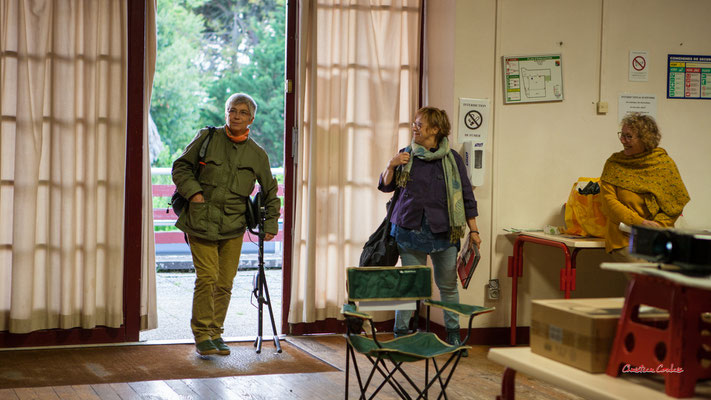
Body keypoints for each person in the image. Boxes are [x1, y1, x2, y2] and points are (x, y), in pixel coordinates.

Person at [172, 93, 281, 355]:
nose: (236, 116)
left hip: (234, 226)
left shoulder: (257, 154)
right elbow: (180, 168)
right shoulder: (206, 138)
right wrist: (195, 194)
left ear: (251, 119)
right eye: (232, 111)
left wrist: (271, 225)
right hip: (200, 221)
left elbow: (270, 191)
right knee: (207, 277)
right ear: (226, 114)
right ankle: (201, 335)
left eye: (242, 112)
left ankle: (215, 333)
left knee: (224, 282)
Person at [378, 106, 480, 349]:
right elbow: (385, 186)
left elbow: (466, 197)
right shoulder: (406, 154)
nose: (415, 127)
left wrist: (474, 230)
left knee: (447, 286)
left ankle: (453, 334)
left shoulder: (453, 159)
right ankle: (401, 333)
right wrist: (392, 165)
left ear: (435, 129)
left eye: (419, 124)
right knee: (410, 286)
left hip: (444, 233)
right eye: (414, 123)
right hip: (409, 230)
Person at [600, 113, 689, 262]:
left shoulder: (663, 164)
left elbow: (675, 204)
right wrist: (640, 223)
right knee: (646, 279)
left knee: (673, 278)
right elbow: (609, 203)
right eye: (622, 135)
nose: (623, 140)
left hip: (658, 237)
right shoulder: (615, 164)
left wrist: (656, 226)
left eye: (629, 137)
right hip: (624, 238)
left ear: (645, 139)